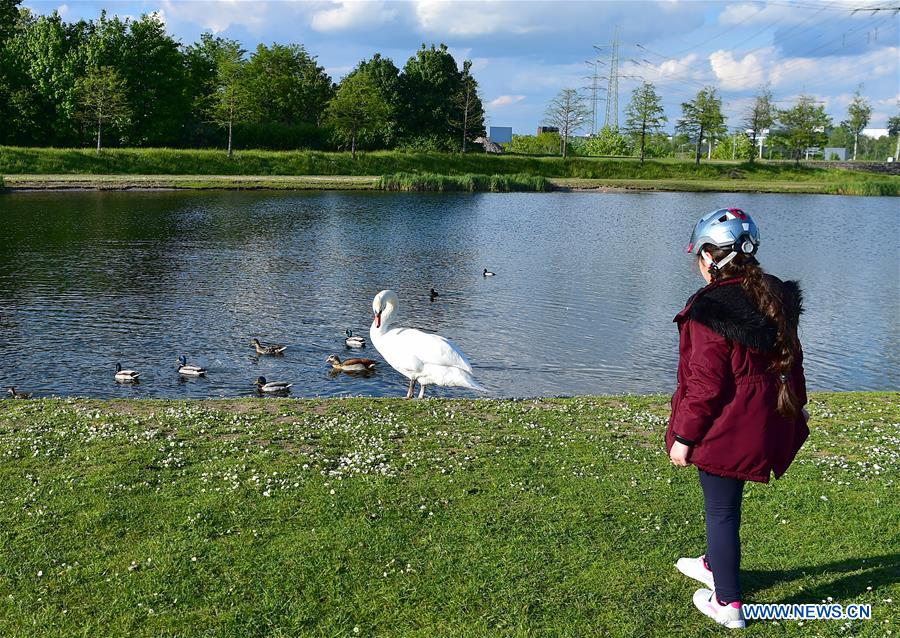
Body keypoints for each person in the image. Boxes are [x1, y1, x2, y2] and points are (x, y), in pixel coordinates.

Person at [666, 208, 810, 629]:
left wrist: (684, 437)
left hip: (726, 427)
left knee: (722, 513)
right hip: (764, 419)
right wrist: (798, 404)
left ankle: (728, 604)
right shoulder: (772, 293)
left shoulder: (711, 308)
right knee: (725, 507)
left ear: (711, 257)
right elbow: (794, 360)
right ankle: (713, 562)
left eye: (698, 256)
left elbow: (705, 384)